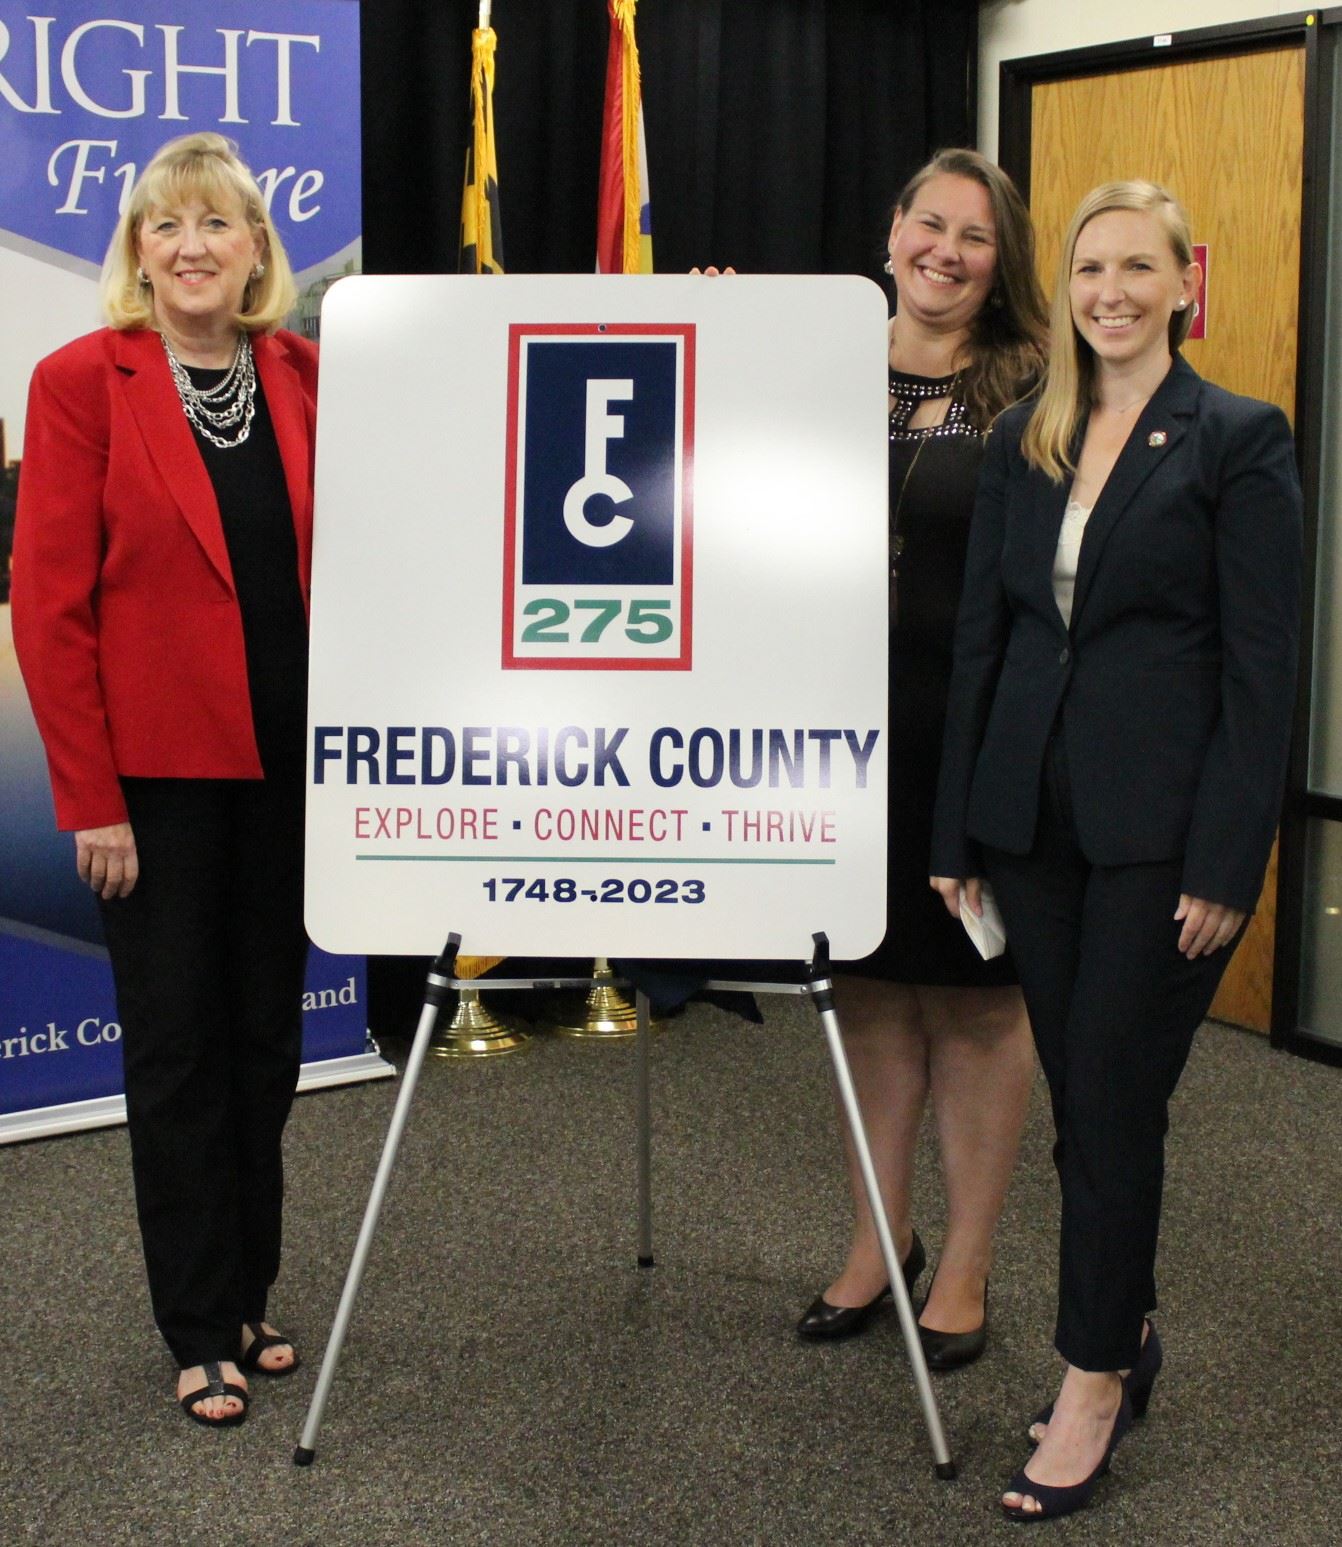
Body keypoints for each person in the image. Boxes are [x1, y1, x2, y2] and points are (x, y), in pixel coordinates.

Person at [930, 181, 1301, 1519]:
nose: (1111, 291)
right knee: (1094, 1104)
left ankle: (1089, 1375)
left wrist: (1228, 859)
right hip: (1030, 828)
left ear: (1179, 280)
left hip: (1164, 844)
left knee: (1103, 1096)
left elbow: (1265, 674)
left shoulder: (1237, 439)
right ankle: (1125, 1328)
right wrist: (957, 826)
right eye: (1091, 267)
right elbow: (988, 637)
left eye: (1137, 266)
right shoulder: (1031, 432)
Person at [11, 133, 319, 1428]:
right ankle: (196, 1326)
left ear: (256, 248)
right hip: (154, 786)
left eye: (218, 224)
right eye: (165, 225)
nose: (191, 246)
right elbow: (50, 605)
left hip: (291, 770)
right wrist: (90, 797)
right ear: (138, 249)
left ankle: (247, 1290)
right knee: (180, 1048)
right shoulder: (82, 379)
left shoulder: (305, 373)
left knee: (263, 1042)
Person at [796, 150, 1047, 1367]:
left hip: (978, 736)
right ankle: (874, 1241)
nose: (946, 250)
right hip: (840, 737)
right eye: (929, 224)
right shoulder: (808, 362)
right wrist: (718, 316)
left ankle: (965, 1266)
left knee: (984, 1001)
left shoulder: (1038, 391)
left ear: (1004, 264)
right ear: (891, 228)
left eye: (976, 237)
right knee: (868, 990)